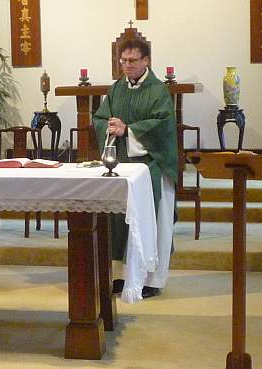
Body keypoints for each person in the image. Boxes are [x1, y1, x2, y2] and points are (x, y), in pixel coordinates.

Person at [93, 39, 177, 299]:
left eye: (132, 61)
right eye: (123, 61)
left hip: (152, 166)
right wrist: (110, 126)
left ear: (146, 61)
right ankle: (121, 276)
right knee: (119, 223)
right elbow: (99, 118)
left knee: (153, 222)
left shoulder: (158, 90)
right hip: (122, 165)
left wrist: (128, 130)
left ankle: (152, 278)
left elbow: (163, 126)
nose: (126, 66)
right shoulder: (116, 89)